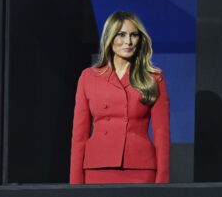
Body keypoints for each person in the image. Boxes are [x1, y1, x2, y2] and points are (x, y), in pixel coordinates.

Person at [70, 11, 170, 184]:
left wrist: (162, 182)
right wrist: (75, 183)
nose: (128, 42)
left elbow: (162, 134)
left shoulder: (153, 77)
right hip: (97, 167)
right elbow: (79, 135)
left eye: (134, 35)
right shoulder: (88, 77)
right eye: (121, 35)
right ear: (110, 37)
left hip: (140, 168)